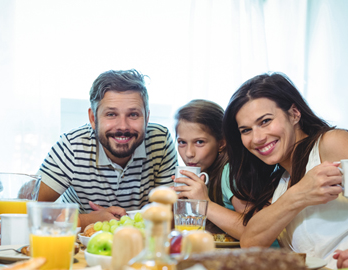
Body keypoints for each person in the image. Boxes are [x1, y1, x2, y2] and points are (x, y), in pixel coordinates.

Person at [223, 72, 348, 270]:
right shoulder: (281, 182)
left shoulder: (332, 144)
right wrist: (298, 194)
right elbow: (251, 242)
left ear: (294, 114)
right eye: (246, 130)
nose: (257, 138)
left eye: (265, 121)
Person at [37, 69, 178, 227]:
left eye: (133, 115)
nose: (123, 126)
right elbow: (26, 210)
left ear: (147, 118)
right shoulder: (72, 146)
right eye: (111, 114)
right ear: (93, 118)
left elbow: (170, 216)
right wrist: (88, 220)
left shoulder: (161, 141)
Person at [172, 99, 246, 239]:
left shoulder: (230, 172)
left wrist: (203, 202)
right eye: (182, 142)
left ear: (221, 142)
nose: (188, 153)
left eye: (199, 142)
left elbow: (251, 230)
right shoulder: (203, 171)